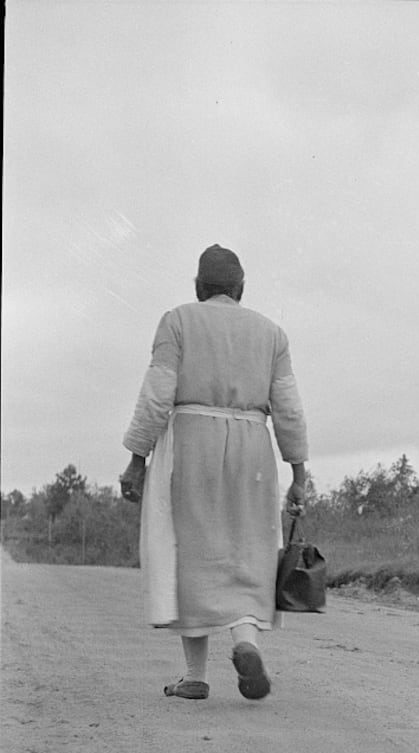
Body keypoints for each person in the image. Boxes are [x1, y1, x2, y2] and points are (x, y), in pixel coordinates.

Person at [120, 244, 309, 701]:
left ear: (199, 287)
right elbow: (288, 408)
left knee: (192, 552)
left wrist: (137, 457)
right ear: (241, 289)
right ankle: (245, 643)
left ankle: (196, 675)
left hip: (191, 444)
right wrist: (299, 472)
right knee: (247, 552)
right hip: (253, 449)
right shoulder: (272, 334)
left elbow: (157, 394)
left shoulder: (178, 321)